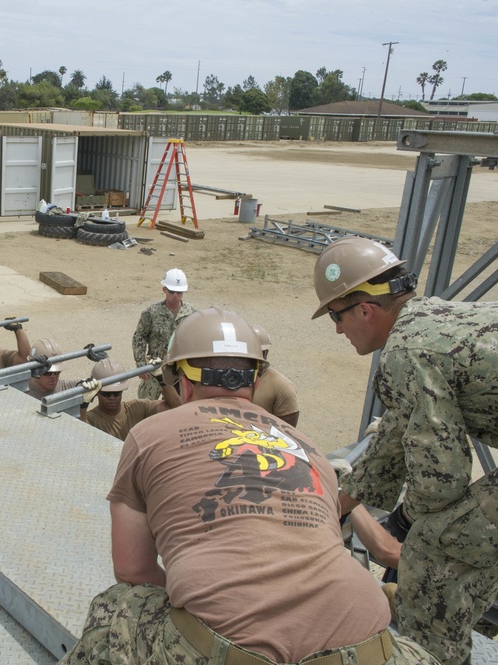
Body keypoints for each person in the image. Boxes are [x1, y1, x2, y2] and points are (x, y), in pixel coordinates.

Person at [61, 307, 439, 665]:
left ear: (182, 380)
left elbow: (133, 570)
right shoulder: (309, 450)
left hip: (235, 650)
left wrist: (200, 601)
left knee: (119, 606)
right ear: (256, 378)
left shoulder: (148, 436)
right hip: (367, 644)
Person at [312, 236, 498, 665]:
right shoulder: (432, 320)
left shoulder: (406, 351)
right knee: (464, 543)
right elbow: (397, 433)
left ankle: (430, 656)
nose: (338, 329)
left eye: (336, 316)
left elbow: (442, 479)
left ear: (364, 309)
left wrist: (406, 521)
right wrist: (337, 503)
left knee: (432, 547)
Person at [132, 268, 197, 400]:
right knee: (146, 406)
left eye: (179, 292)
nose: (175, 295)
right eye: (172, 291)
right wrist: (141, 364)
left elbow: (197, 340)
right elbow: (139, 337)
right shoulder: (151, 312)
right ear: (164, 290)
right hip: (155, 369)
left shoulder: (192, 314)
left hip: (180, 371)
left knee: (177, 407)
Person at [77, 358, 177, 440]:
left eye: (116, 393)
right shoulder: (91, 419)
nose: (112, 397)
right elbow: (79, 435)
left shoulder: (137, 408)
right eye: (106, 394)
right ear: (97, 393)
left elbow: (176, 408)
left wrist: (162, 379)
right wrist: (83, 405)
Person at [250, 324, 300, 426]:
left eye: (258, 352)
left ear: (266, 354)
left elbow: (287, 432)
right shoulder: (225, 380)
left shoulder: (282, 387)